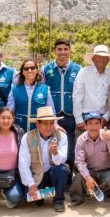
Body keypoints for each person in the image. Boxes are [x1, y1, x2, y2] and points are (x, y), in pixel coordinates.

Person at [18, 107, 69, 212]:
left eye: (51, 123)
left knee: (62, 169)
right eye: (45, 123)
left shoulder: (61, 136)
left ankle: (58, 200)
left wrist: (55, 153)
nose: (49, 127)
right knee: (29, 196)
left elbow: (61, 160)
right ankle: (39, 197)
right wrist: (31, 184)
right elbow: (23, 164)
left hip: (53, 173)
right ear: (37, 124)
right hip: (36, 176)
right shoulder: (27, 137)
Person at [42, 39, 81, 170]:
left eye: (65, 49)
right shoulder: (46, 69)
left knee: (69, 146)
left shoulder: (77, 69)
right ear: (55, 51)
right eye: (59, 49)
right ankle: (50, 174)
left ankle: (67, 177)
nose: (62, 52)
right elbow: (43, 92)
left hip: (71, 114)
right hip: (53, 115)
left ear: (70, 51)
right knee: (51, 145)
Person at [70, 112, 110, 205]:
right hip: (89, 170)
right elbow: (79, 162)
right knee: (78, 178)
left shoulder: (109, 134)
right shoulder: (81, 139)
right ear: (85, 126)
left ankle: (101, 191)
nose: (94, 127)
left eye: (97, 123)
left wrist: (109, 141)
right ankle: (77, 199)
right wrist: (88, 177)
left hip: (106, 170)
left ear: (101, 125)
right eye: (90, 124)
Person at [72, 44, 110, 132]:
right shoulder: (84, 72)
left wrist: (106, 117)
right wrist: (79, 120)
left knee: (103, 144)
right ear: (93, 59)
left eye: (104, 57)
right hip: (85, 117)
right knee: (83, 144)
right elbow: (77, 97)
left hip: (104, 117)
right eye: (98, 57)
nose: (101, 59)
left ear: (108, 60)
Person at [8, 59, 54, 132]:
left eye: (32, 68)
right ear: (22, 72)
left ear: (36, 70)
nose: (29, 70)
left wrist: (54, 125)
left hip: (38, 130)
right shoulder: (14, 89)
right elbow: (10, 111)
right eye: (26, 69)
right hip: (19, 129)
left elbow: (51, 111)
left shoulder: (45, 89)